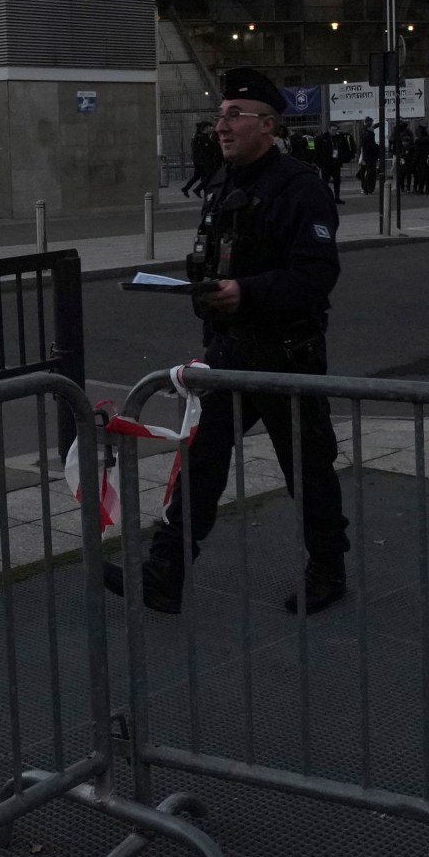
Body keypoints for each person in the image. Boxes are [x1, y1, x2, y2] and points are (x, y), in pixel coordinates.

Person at [106, 67, 347, 616]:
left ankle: (328, 570)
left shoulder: (300, 187)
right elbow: (214, 262)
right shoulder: (223, 186)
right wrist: (207, 298)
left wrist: (247, 294)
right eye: (220, 115)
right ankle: (165, 573)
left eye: (234, 114)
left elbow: (316, 275)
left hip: (286, 357)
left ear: (268, 124)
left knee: (307, 470)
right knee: (201, 460)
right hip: (229, 354)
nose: (222, 124)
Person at [185, 121, 219, 197]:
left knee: (200, 176)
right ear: (205, 128)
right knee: (209, 175)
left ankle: (189, 189)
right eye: (210, 127)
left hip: (200, 160)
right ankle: (199, 189)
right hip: (203, 160)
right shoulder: (203, 137)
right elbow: (207, 149)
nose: (211, 128)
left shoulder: (198, 136)